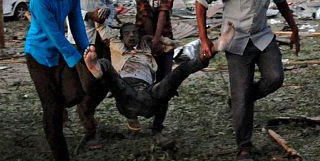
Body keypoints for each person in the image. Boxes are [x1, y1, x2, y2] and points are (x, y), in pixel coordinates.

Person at [195, 0, 300, 161]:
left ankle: (240, 100)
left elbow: (280, 0)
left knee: (275, 77)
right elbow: (201, 1)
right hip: (236, 42)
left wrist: (294, 28)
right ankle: (244, 146)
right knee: (241, 95)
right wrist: (205, 41)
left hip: (262, 36)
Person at [83, 23, 231, 126]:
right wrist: (100, 17)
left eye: (134, 32)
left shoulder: (147, 49)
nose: (131, 35)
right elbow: (102, 28)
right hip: (125, 94)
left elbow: (171, 45)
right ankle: (97, 68)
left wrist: (155, 39)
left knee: (177, 73)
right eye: (127, 33)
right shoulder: (116, 45)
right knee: (107, 66)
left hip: (148, 94)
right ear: (121, 37)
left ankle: (211, 51)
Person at [24, 0, 89, 161]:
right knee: (51, 109)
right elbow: (55, 35)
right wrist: (76, 57)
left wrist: (86, 49)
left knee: (76, 94)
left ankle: (59, 112)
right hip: (39, 56)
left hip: (60, 52)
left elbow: (76, 22)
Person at [66, 0, 116, 149]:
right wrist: (88, 14)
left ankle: (88, 115)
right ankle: (90, 130)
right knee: (86, 84)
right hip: (80, 37)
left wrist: (108, 17)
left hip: (103, 37)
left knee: (105, 82)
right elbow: (64, 4)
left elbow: (111, 1)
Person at [130, 0, 178, 135]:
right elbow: (144, 13)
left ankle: (157, 126)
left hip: (164, 37)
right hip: (141, 38)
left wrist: (157, 41)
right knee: (139, 79)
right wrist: (150, 41)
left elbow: (163, 12)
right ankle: (135, 117)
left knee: (164, 82)